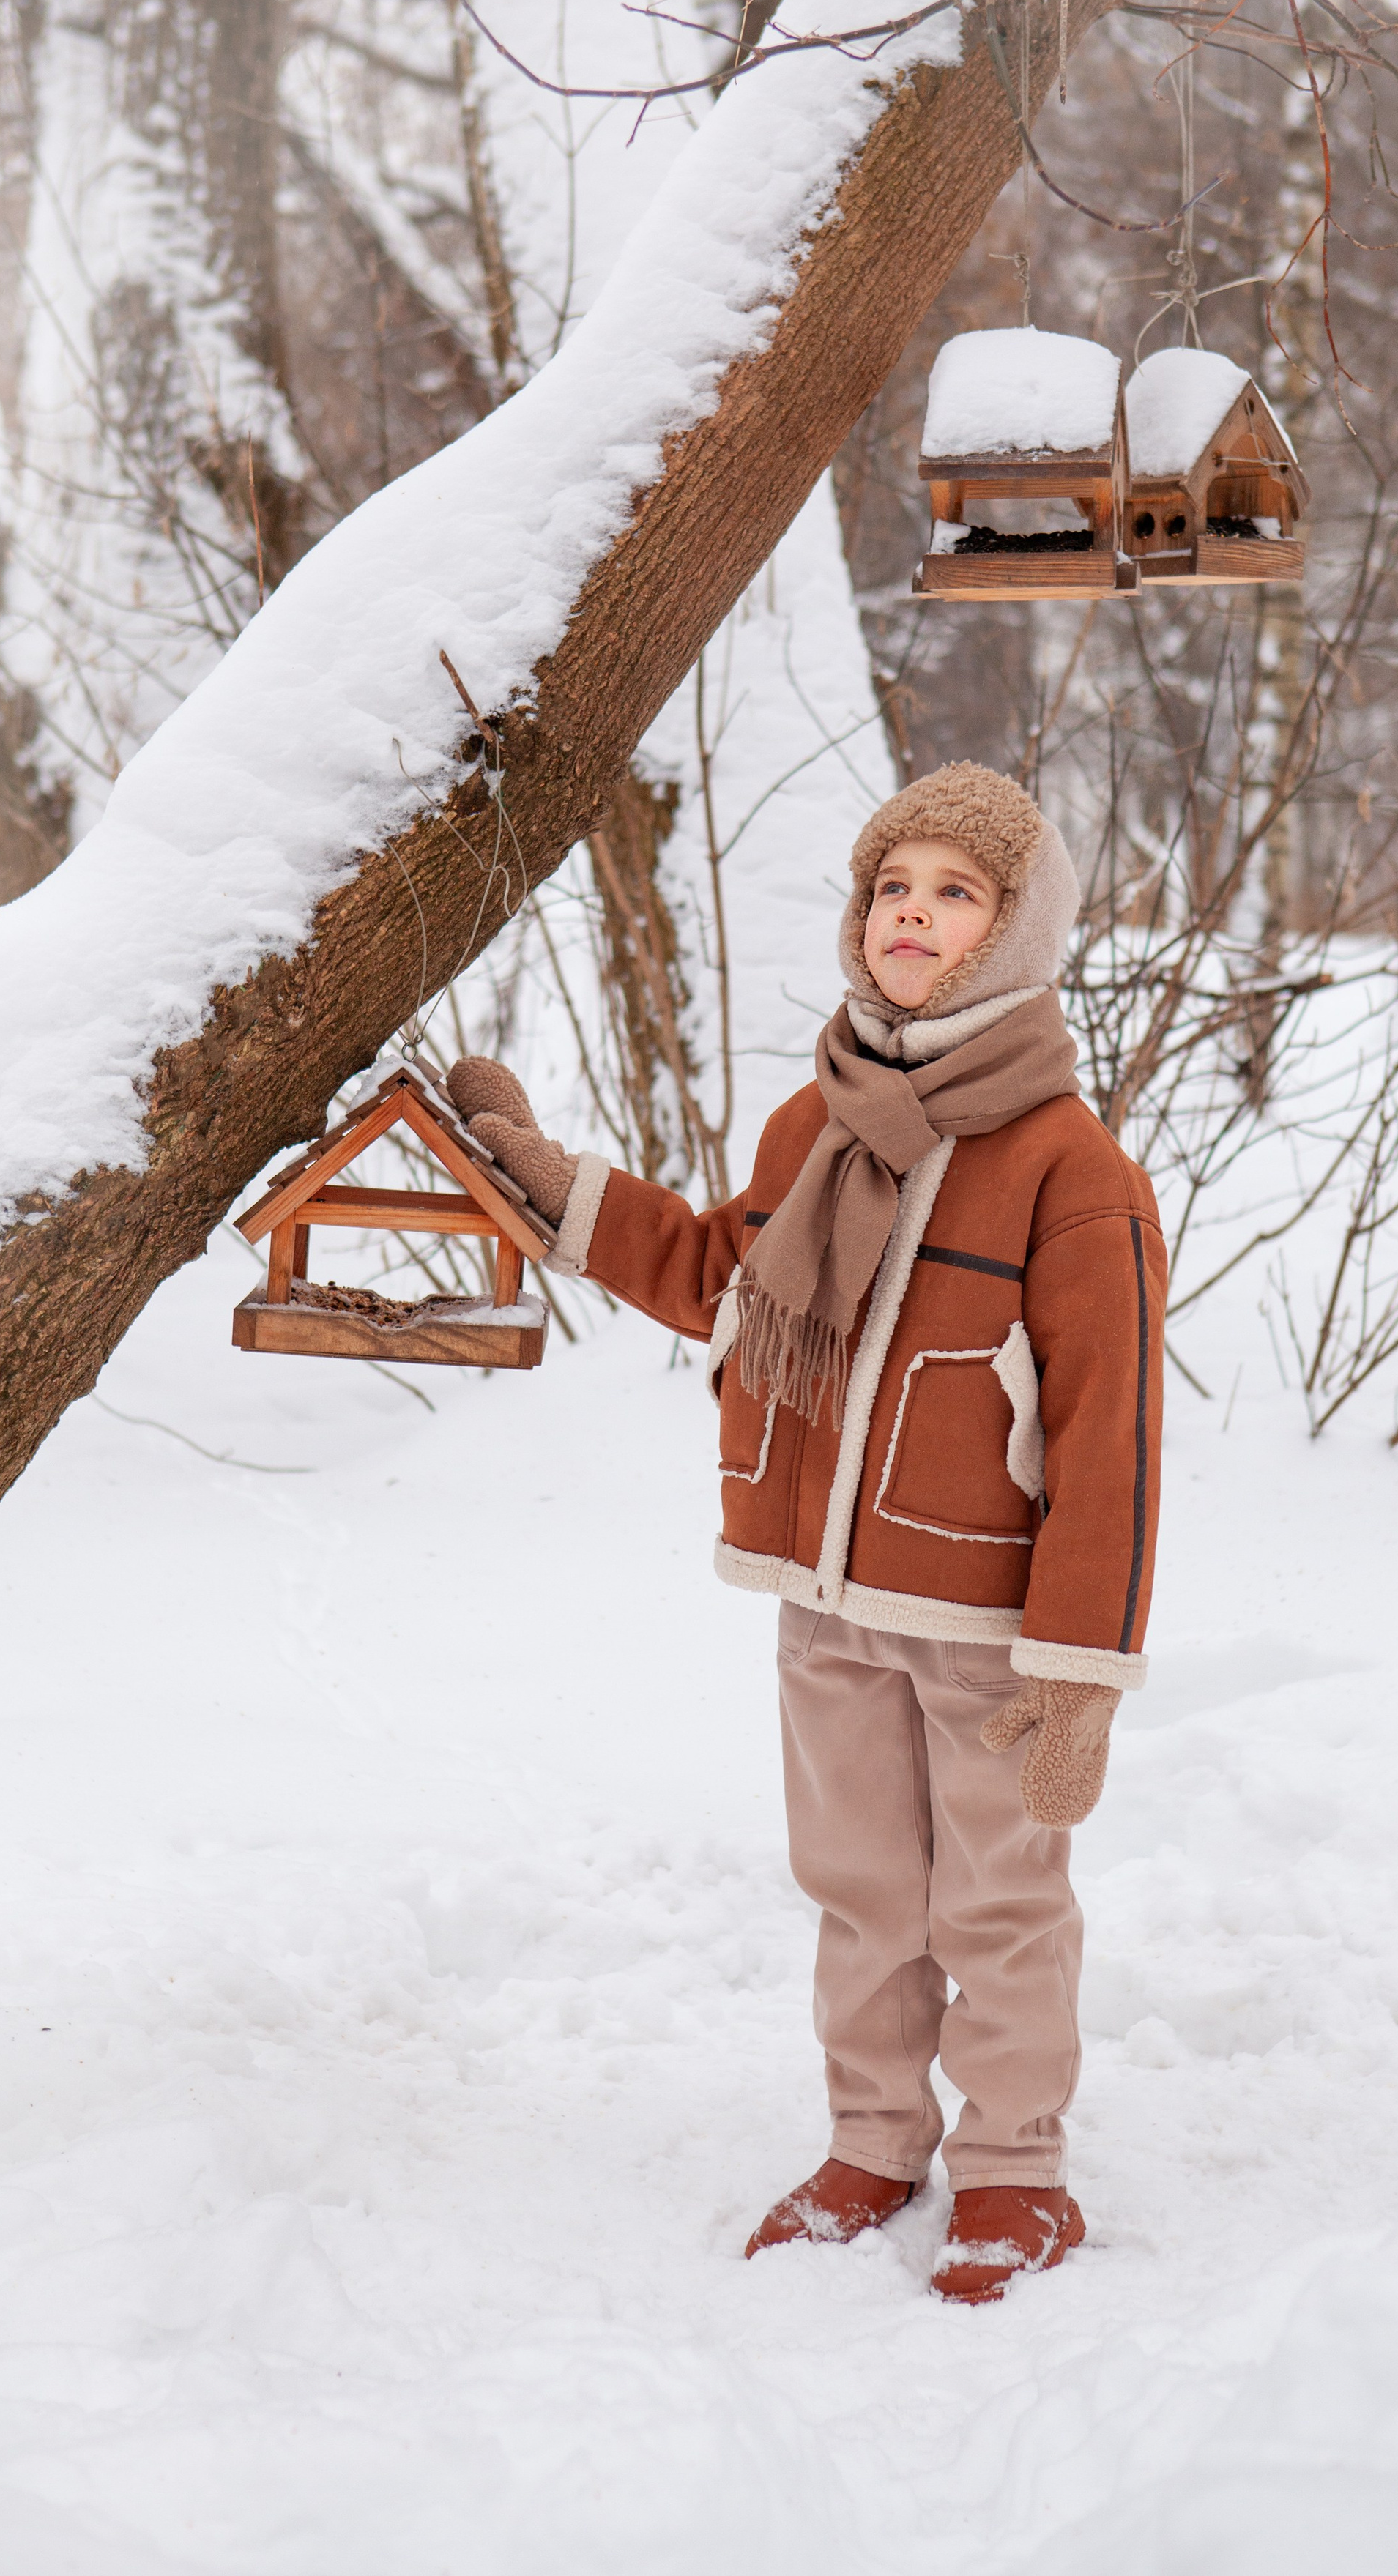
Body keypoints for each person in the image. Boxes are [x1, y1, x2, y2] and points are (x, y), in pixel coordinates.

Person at [449, 762, 1165, 2305]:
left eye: (955, 892)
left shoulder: (1070, 1167)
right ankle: (873, 2142)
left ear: (1015, 929)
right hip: (825, 1600)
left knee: (998, 1903)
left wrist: (1080, 1668)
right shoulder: (818, 1121)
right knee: (860, 1891)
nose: (913, 914)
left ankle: (1017, 2173)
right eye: (891, 888)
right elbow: (718, 1269)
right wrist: (556, 1186)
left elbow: (1109, 1434)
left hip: (985, 1626)